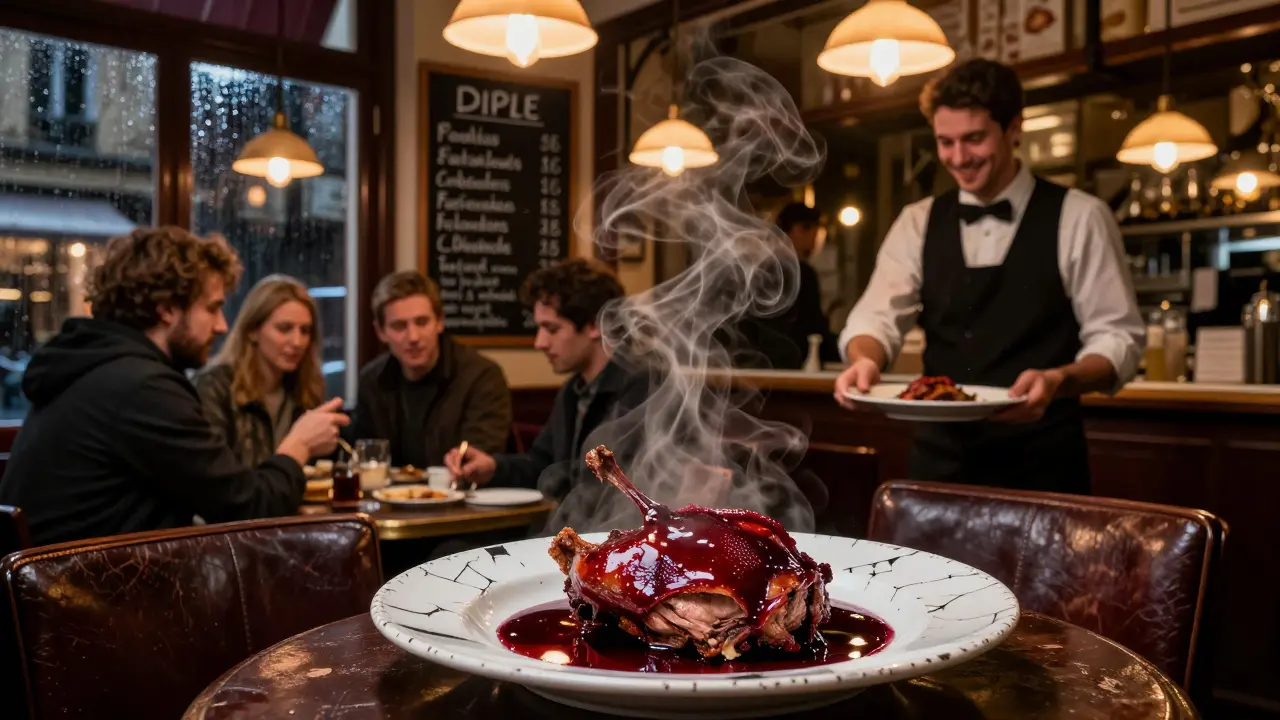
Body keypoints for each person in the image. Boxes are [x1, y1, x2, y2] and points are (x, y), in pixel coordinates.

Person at [833, 59, 1144, 494]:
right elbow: (874, 320)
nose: (958, 158)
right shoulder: (917, 221)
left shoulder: (1080, 216)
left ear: (1014, 127)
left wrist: (1061, 380)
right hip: (938, 464)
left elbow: (1118, 339)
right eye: (945, 142)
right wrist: (866, 359)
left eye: (974, 139)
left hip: (1044, 464)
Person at [0, 227, 348, 546]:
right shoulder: (141, 387)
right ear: (167, 308)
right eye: (212, 308)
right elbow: (249, 508)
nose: (223, 326)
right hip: (90, 599)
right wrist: (300, 444)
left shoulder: (95, 366)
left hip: (58, 589)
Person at [443, 259, 648, 506]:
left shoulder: (640, 387)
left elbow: (605, 483)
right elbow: (543, 466)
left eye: (551, 329)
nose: (539, 342)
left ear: (595, 325)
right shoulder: (572, 391)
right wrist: (493, 467)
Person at [348, 271, 511, 469]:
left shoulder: (482, 377)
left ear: (440, 322)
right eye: (400, 326)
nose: (413, 337)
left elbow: (477, 461)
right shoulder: (372, 380)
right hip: (390, 496)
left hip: (464, 494)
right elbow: (366, 459)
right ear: (381, 332)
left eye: (422, 322)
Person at [193, 274, 326, 468]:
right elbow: (214, 475)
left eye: (305, 331)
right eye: (284, 328)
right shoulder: (215, 387)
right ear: (252, 331)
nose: (298, 342)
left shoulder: (305, 388)